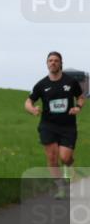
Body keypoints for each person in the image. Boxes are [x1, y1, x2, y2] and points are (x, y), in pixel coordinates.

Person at [26, 51, 86, 199]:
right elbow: (28, 101)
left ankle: (71, 168)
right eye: (50, 60)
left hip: (67, 127)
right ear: (47, 64)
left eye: (56, 60)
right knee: (52, 158)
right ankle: (61, 188)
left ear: (61, 63)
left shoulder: (70, 82)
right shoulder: (41, 85)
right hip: (48, 125)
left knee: (65, 158)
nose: (53, 63)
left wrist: (78, 107)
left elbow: (81, 96)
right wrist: (32, 109)